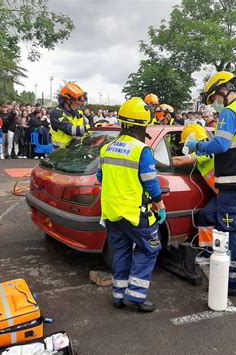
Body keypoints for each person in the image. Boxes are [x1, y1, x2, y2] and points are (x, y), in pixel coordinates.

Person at [186, 71, 236, 297]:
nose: (215, 105)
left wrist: (197, 145)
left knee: (231, 233)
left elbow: (220, 145)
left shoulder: (230, 111)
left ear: (222, 91)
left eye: (215, 99)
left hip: (232, 184)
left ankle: (235, 284)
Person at [98, 97, 166, 312]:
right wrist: (161, 206)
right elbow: (151, 183)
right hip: (135, 213)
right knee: (149, 249)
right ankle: (136, 296)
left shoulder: (106, 148)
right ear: (143, 124)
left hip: (111, 212)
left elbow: (101, 177)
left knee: (121, 251)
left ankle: (118, 295)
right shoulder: (141, 150)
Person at [50, 82, 89, 148]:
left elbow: (86, 123)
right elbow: (70, 130)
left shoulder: (79, 112)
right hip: (60, 152)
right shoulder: (57, 114)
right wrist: (89, 128)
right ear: (67, 101)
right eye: (76, 103)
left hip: (76, 149)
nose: (79, 105)